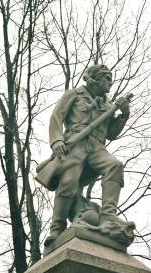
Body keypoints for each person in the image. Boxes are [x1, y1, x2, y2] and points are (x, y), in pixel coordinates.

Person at [45, 65, 130, 245]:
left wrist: (124, 114)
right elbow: (56, 117)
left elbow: (111, 133)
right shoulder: (74, 94)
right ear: (95, 79)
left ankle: (108, 215)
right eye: (106, 78)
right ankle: (57, 228)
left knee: (115, 166)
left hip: (97, 148)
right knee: (68, 183)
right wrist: (57, 141)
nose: (110, 82)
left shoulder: (108, 105)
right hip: (75, 146)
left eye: (110, 78)